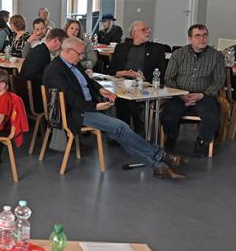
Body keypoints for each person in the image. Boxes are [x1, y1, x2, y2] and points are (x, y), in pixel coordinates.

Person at [43, 38, 185, 179]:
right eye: (79, 53)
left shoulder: (73, 64)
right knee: (121, 127)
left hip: (86, 108)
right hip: (74, 113)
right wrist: (95, 106)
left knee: (120, 133)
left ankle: (158, 166)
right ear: (67, 51)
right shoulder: (54, 70)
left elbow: (88, 81)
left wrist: (101, 90)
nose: (82, 57)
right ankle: (160, 155)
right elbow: (71, 99)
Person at [161, 25, 226, 157]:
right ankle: (172, 136)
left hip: (204, 95)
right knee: (168, 115)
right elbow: (169, 78)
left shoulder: (217, 56)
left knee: (211, 116)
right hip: (180, 94)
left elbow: (219, 81)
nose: (202, 38)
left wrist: (203, 94)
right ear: (190, 39)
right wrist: (181, 94)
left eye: (205, 35)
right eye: (197, 36)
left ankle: (202, 142)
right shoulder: (178, 54)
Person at [108, 21, 169, 131]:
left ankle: (132, 129)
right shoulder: (121, 47)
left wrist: (142, 76)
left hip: (144, 85)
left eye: (148, 29)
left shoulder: (157, 48)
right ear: (134, 33)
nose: (148, 31)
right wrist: (123, 72)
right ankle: (127, 129)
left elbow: (161, 72)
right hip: (123, 83)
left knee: (130, 98)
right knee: (123, 97)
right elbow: (110, 70)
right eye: (144, 29)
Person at [21, 29, 67, 110]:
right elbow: (31, 75)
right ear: (55, 40)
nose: (61, 48)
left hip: (27, 95)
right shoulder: (42, 53)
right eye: (62, 44)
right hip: (35, 99)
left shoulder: (39, 49)